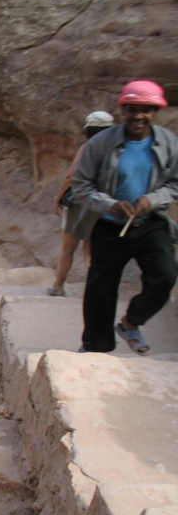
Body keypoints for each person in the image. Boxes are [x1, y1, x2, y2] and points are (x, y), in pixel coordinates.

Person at [72, 80, 178, 354]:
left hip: (150, 224)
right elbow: (81, 186)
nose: (139, 116)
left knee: (164, 276)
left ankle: (131, 322)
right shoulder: (100, 144)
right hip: (109, 226)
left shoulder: (168, 143)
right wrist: (110, 205)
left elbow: (175, 184)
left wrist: (151, 200)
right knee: (101, 288)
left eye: (147, 110)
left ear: (156, 112)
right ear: (123, 110)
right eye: (133, 109)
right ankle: (96, 346)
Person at [47, 111, 115, 296]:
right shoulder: (117, 150)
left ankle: (58, 287)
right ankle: (97, 289)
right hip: (104, 203)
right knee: (90, 248)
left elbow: (71, 177)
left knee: (68, 248)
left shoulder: (88, 147)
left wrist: (58, 199)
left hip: (81, 202)